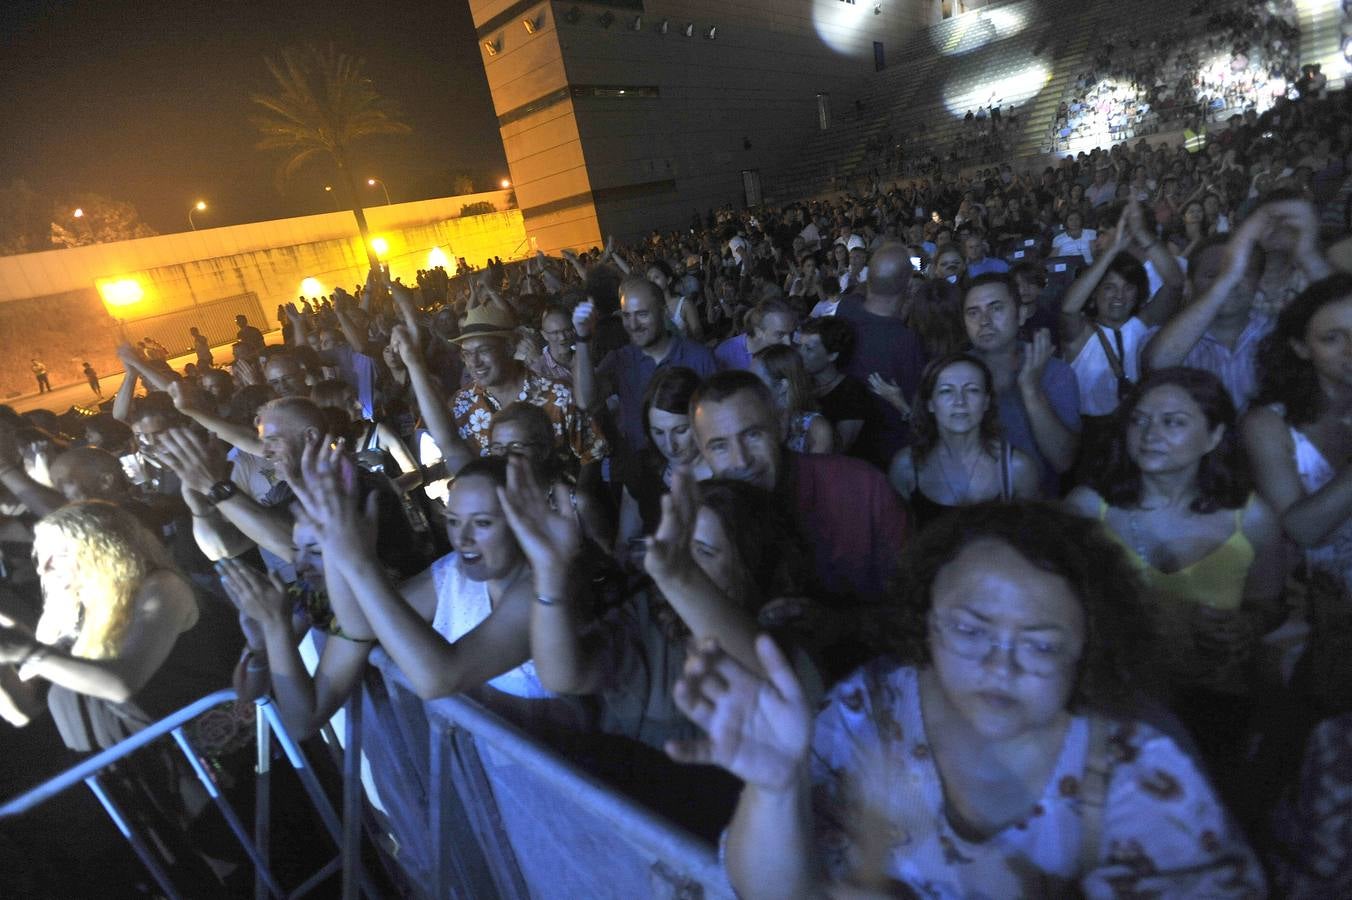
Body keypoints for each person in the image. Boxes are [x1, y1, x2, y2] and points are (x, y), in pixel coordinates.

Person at [668, 501, 1265, 898]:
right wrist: (776, 789)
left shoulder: (1140, 770)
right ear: (924, 623)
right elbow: (773, 892)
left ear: (1087, 646)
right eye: (971, 630)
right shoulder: (869, 708)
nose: (999, 665)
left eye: (1040, 643)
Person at [1067, 367, 1284, 769]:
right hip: (1115, 696)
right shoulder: (1086, 510)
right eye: (1140, 420)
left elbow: (1269, 605)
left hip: (1214, 702)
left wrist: (1247, 627)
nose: (1150, 434)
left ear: (1215, 436)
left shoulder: (1252, 519)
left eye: (1173, 422)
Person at [1243, 274, 1352, 601]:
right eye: (1333, 338)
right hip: (1314, 606)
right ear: (1301, 347)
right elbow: (1301, 529)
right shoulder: (1268, 424)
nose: (1351, 350)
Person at [887, 353, 1039, 529]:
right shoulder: (905, 467)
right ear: (930, 403)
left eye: (972, 390)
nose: (960, 401)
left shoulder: (1017, 469)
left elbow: (1031, 544)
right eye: (946, 391)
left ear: (986, 402)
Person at [960, 274, 1080, 494]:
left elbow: (1063, 461)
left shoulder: (1055, 372)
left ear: (1022, 314)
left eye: (996, 308)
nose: (984, 320)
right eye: (973, 312)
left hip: (1036, 511)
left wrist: (1031, 390)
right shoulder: (956, 373)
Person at [573, 276, 716, 460]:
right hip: (644, 473)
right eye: (626, 316)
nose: (633, 325)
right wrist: (582, 338)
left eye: (642, 314)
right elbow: (586, 401)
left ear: (663, 312)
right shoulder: (621, 359)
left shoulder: (698, 357)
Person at [837, 244, 928, 468]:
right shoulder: (907, 342)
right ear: (908, 286)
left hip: (850, 454)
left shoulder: (846, 308)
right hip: (891, 457)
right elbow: (919, 411)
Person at [612, 367, 710, 567]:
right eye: (658, 432)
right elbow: (625, 543)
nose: (669, 445)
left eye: (680, 430)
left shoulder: (723, 469)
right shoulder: (642, 468)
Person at [795, 317, 870, 453]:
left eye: (809, 349)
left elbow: (839, 448)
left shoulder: (852, 392)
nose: (799, 353)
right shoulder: (803, 383)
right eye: (799, 346)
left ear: (832, 355)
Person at [752, 344, 834, 454]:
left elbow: (818, 470)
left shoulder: (817, 429)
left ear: (782, 386)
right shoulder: (752, 419)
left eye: (756, 382)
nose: (748, 387)